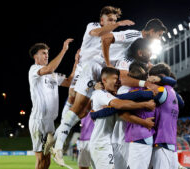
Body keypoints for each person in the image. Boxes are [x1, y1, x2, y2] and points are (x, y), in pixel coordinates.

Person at [48, 6, 135, 166]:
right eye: (110, 20)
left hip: (96, 72)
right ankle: (58, 146)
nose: (113, 23)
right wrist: (120, 23)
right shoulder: (93, 26)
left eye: (115, 20)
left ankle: (55, 138)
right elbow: (98, 34)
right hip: (84, 69)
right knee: (75, 101)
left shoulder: (114, 37)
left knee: (84, 110)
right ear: (102, 20)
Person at [89, 67, 156, 169]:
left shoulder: (109, 95)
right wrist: (144, 104)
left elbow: (121, 107)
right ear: (104, 80)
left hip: (104, 143)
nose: (118, 82)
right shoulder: (100, 94)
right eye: (115, 78)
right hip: (101, 144)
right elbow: (120, 105)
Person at [28, 39, 73, 169]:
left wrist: (76, 63)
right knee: (41, 159)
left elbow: (69, 82)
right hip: (39, 120)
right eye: (43, 53)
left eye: (47, 53)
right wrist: (64, 50)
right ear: (36, 56)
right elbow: (49, 68)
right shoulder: (34, 69)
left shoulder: (52, 75)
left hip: (50, 122)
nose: (47, 55)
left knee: (47, 161)